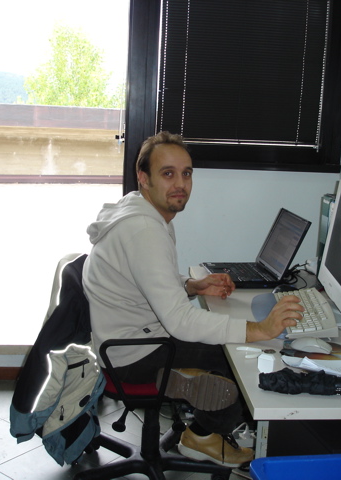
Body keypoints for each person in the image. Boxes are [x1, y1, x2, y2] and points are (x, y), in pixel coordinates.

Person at [83, 131, 304, 467]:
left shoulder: (142, 211)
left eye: (186, 173)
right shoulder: (144, 230)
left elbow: (146, 280)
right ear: (144, 178)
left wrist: (192, 286)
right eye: (167, 173)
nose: (180, 184)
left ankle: (186, 388)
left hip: (127, 338)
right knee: (242, 359)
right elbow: (180, 322)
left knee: (230, 344)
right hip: (133, 354)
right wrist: (259, 329)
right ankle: (200, 435)